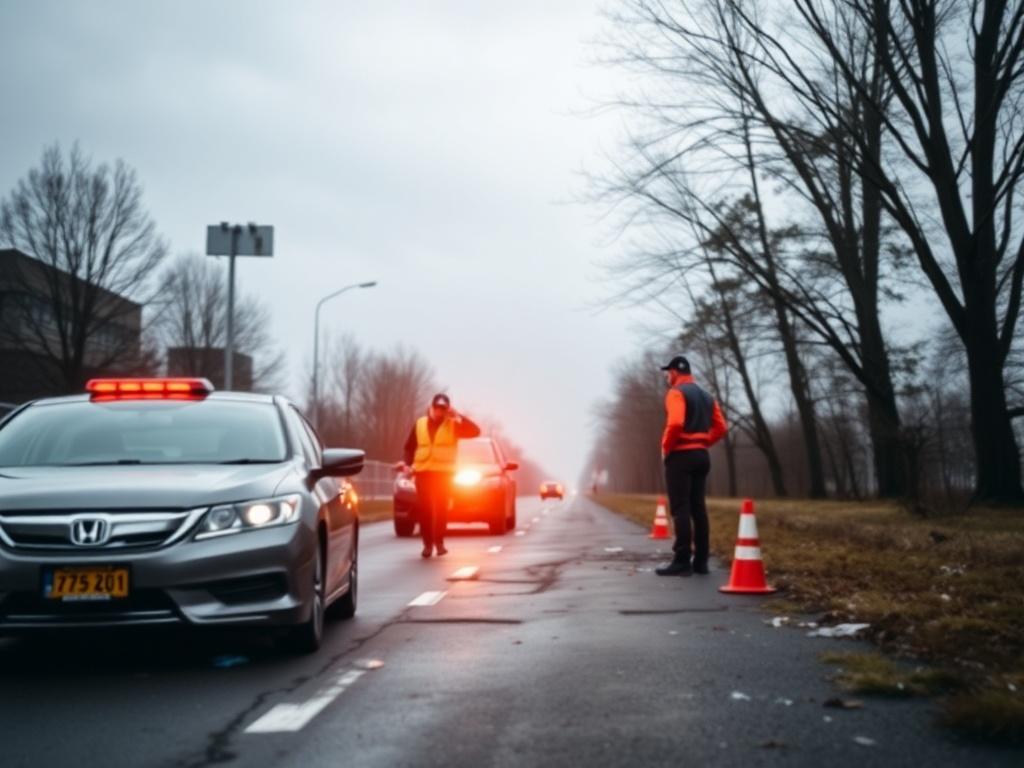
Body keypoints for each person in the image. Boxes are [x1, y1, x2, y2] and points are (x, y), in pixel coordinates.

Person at [656, 355, 728, 577]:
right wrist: (704, 441)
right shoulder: (707, 396)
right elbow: (722, 427)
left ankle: (682, 560)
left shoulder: (676, 393)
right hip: (701, 457)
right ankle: (701, 562)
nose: (668, 377)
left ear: (675, 373)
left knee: (680, 508)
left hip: (681, 457)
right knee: (698, 508)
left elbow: (676, 422)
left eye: (668, 373)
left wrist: (666, 447)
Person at [402, 393, 481, 558]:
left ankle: (439, 542)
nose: (439, 411)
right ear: (431, 407)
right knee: (425, 509)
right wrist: (408, 465)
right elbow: (409, 447)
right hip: (423, 472)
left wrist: (458, 416)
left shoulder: (453, 424)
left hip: (443, 474)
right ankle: (427, 545)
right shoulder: (420, 424)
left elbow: (475, 432)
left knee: (440, 509)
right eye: (437, 408)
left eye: (443, 408)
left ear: (448, 409)